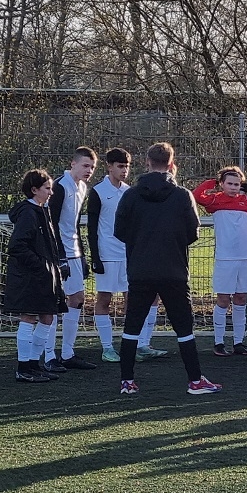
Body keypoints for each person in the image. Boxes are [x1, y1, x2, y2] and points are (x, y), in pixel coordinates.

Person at [113, 142, 221, 395]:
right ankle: (195, 381)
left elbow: (120, 231)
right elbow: (193, 232)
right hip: (174, 270)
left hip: (140, 270)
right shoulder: (182, 195)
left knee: (132, 326)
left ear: (147, 162)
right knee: (184, 328)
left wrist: (141, 244)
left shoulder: (131, 195)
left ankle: (127, 381)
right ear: (172, 164)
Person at [87, 147, 167, 365]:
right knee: (105, 299)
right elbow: (92, 227)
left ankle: (140, 345)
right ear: (109, 166)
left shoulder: (130, 191)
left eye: (127, 166)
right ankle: (107, 348)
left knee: (136, 298)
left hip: (129, 253)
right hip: (107, 254)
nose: (124, 170)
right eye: (120, 166)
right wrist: (95, 257)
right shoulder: (98, 192)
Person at [194, 166, 247, 356]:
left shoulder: (245, 201)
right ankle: (219, 342)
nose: (233, 187)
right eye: (229, 183)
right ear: (222, 184)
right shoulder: (214, 200)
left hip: (244, 256)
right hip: (225, 257)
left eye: (237, 184)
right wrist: (212, 182)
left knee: (241, 299)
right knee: (223, 299)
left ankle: (239, 342)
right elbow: (197, 195)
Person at [4, 169, 67, 383]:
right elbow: (17, 247)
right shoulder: (28, 213)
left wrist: (54, 267)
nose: (51, 193)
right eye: (47, 188)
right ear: (34, 190)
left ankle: (34, 364)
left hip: (44, 276)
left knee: (47, 317)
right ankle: (23, 368)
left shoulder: (42, 211)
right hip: (30, 276)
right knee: (29, 317)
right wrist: (41, 266)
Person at [44, 146, 98, 372]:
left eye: (92, 167)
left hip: (74, 252)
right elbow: (51, 224)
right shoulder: (59, 186)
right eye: (85, 165)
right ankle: (48, 356)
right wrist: (60, 257)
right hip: (58, 254)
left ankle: (67, 353)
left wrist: (81, 255)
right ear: (73, 164)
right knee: (54, 303)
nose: (89, 170)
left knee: (77, 299)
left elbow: (74, 224)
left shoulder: (83, 187)